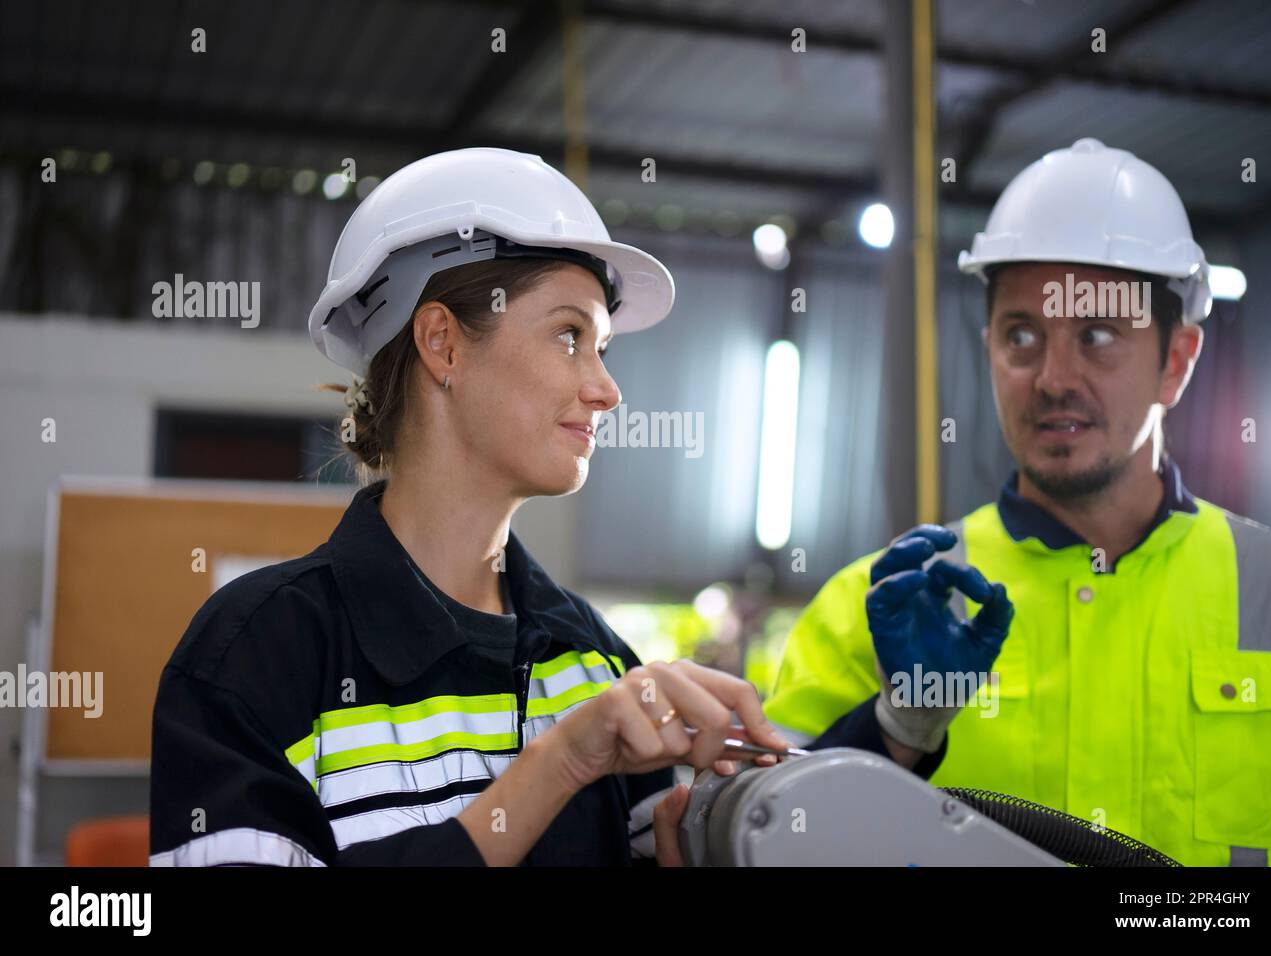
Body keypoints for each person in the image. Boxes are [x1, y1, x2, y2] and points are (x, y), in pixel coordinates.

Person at [148, 147, 794, 867]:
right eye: (570, 335)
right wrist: (559, 764)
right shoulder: (258, 654)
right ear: (443, 344)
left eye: (602, 347)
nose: (607, 390)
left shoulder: (589, 657)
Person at [765, 138, 1271, 867]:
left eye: (1098, 335)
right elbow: (769, 835)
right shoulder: (878, 604)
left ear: (1175, 362)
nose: (1053, 378)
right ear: (988, 348)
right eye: (1022, 335)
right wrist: (895, 727)